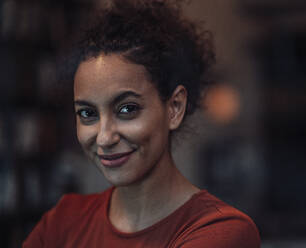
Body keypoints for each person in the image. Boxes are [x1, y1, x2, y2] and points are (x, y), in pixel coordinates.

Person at [23, 0, 260, 247]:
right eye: (87, 114)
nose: (104, 137)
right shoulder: (63, 222)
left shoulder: (219, 230)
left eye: (127, 109)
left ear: (174, 108)